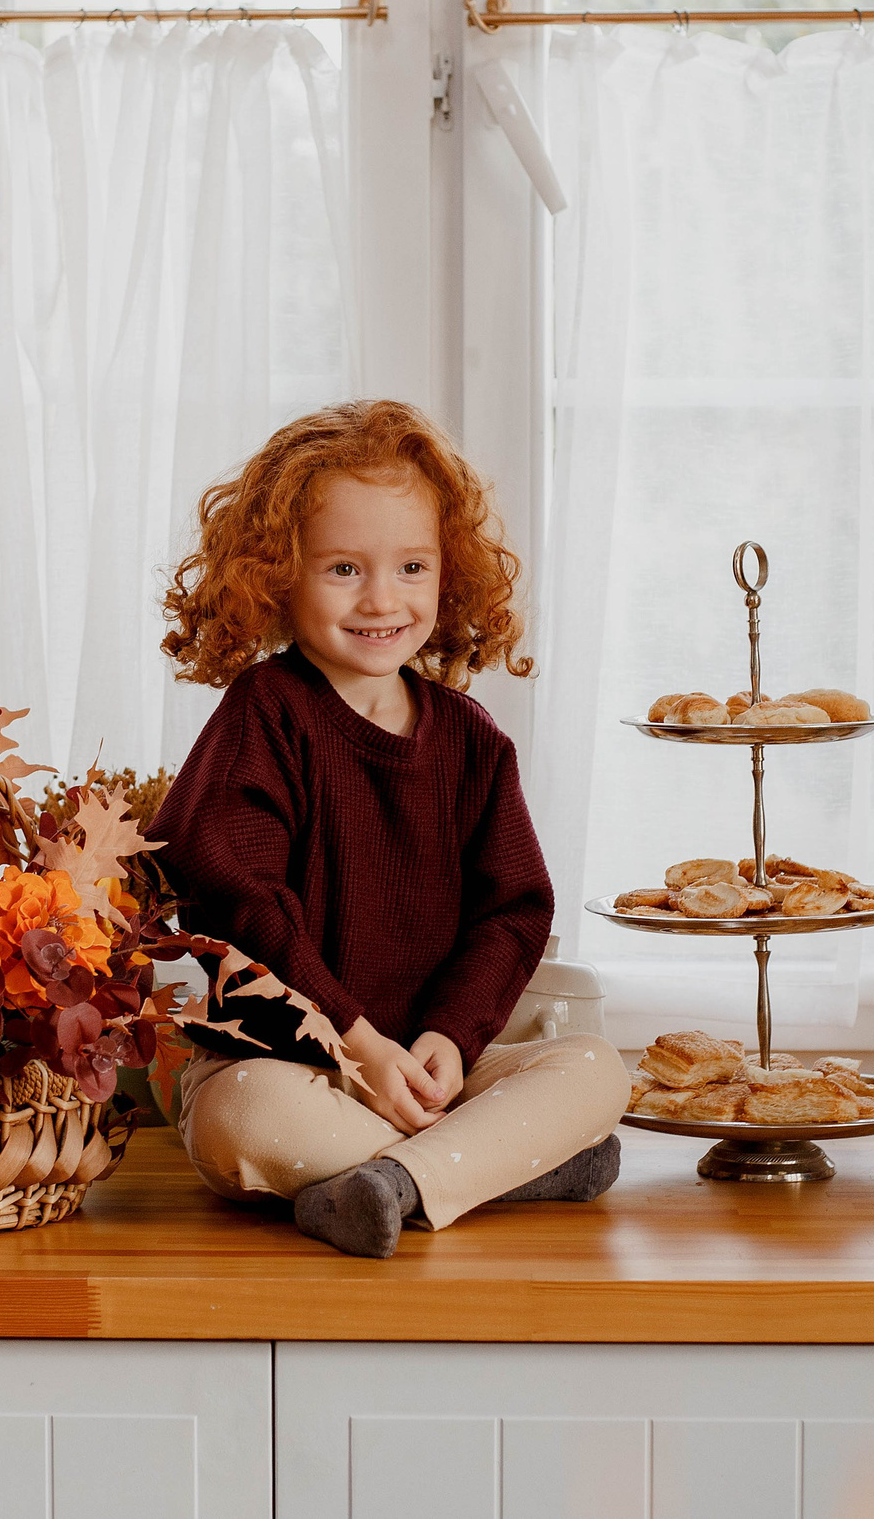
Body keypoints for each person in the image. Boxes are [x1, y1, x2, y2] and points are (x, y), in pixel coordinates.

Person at [147, 399, 630, 1258]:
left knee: (596, 1070)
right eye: (343, 569)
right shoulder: (264, 714)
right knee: (240, 1117)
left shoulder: (474, 740)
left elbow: (513, 912)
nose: (382, 599)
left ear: (452, 572)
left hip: (438, 1071)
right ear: (277, 575)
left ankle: (392, 1185)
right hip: (298, 1067)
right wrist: (358, 1043)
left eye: (411, 565)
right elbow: (236, 894)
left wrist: (445, 1039)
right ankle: (494, 1168)